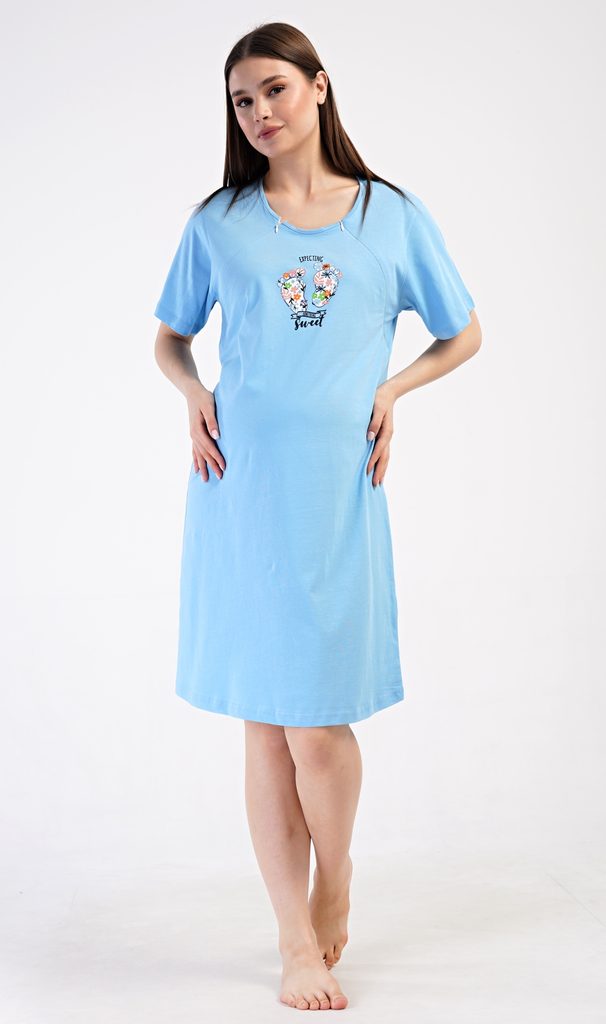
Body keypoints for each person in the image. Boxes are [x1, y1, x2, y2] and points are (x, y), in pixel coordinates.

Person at [153, 21, 482, 1013]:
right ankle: (293, 937)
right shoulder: (220, 222)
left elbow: (463, 331)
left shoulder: (390, 216)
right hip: (240, 492)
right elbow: (170, 338)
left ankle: (333, 875)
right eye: (242, 100)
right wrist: (191, 392)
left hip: (335, 493)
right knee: (266, 723)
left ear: (320, 88)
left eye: (274, 90)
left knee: (319, 726)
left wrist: (392, 390)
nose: (258, 112)